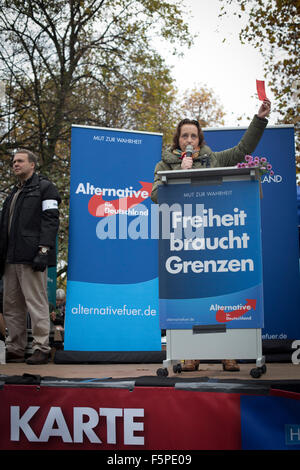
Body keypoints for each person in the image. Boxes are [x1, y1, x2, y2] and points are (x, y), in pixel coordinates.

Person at [151, 98, 271, 371]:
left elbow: (243, 149)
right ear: (178, 140)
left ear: (200, 138)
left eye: (194, 135)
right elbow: (155, 194)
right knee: (193, 296)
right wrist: (178, 176)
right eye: (184, 135)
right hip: (184, 242)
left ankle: (229, 353)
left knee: (220, 294)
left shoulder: (215, 159)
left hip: (216, 238)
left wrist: (260, 119)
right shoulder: (164, 165)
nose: (189, 139)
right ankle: (190, 355)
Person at [0, 149, 61, 364]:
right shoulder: (12, 194)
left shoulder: (46, 188)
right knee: (11, 306)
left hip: (32, 257)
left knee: (36, 302)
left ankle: (41, 348)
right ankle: (15, 348)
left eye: (20, 161)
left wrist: (43, 250)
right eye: (13, 161)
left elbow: (51, 220)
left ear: (32, 165)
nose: (15, 164)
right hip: (10, 259)